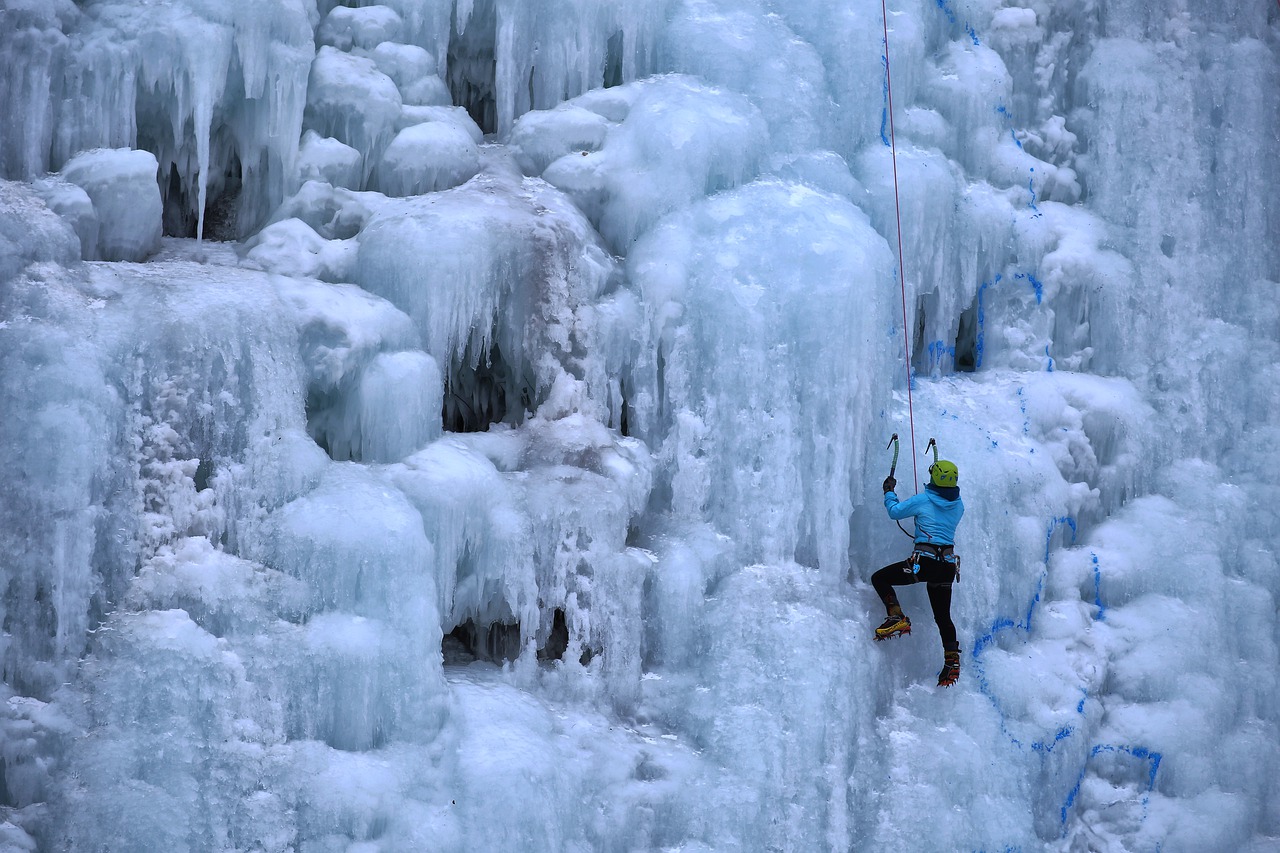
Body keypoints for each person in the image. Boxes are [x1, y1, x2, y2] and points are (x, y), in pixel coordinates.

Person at [872, 458, 964, 687]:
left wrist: (889, 491)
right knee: (943, 617)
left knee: (880, 578)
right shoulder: (959, 505)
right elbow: (941, 503)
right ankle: (951, 662)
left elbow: (894, 512)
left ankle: (896, 616)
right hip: (947, 567)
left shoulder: (923, 500)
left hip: (925, 563)